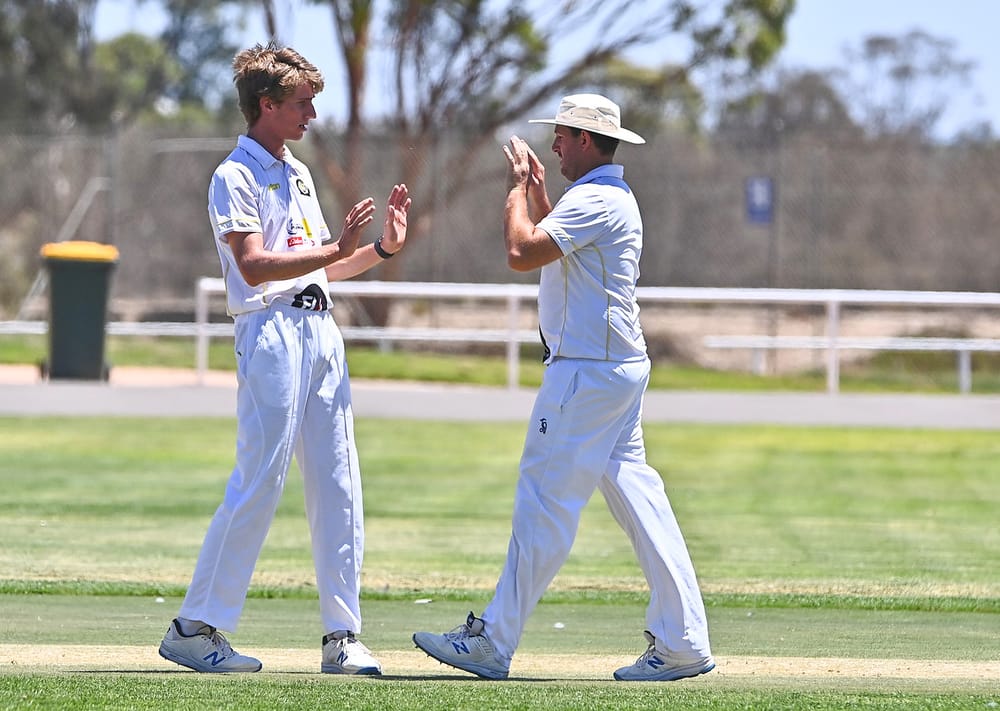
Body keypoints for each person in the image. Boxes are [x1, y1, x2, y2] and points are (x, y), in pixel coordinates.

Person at [412, 94, 713, 682]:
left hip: (585, 374)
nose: (553, 143)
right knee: (641, 504)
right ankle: (683, 642)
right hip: (611, 370)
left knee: (542, 505)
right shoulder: (601, 197)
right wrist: (538, 192)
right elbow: (554, 239)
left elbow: (522, 251)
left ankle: (492, 642)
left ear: (583, 140)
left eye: (562, 135)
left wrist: (515, 187)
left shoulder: (598, 199)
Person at [158, 42, 410, 675]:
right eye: (302, 103)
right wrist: (331, 250)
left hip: (320, 331)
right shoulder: (234, 175)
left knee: (339, 482)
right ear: (266, 104)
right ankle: (195, 626)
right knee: (261, 478)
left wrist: (377, 248)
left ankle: (342, 637)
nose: (312, 114)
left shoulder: (296, 172)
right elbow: (253, 264)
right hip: (269, 331)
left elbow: (323, 264)